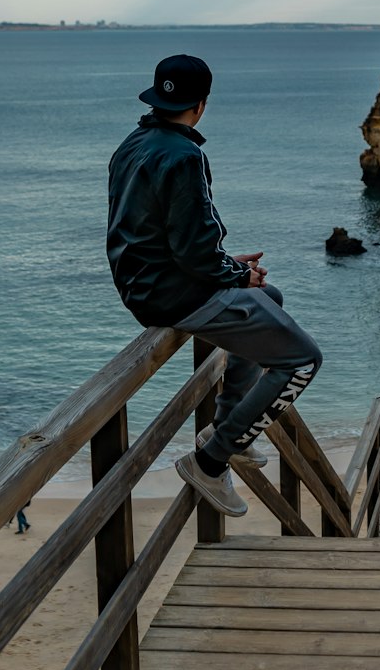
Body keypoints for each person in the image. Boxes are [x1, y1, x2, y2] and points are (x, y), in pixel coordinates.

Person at [106, 53, 323, 517]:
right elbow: (193, 250)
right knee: (303, 360)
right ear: (201, 104)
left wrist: (230, 269)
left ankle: (227, 428)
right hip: (171, 294)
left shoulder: (133, 143)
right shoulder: (185, 155)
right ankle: (211, 459)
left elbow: (158, 235)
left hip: (143, 284)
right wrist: (234, 272)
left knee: (270, 298)